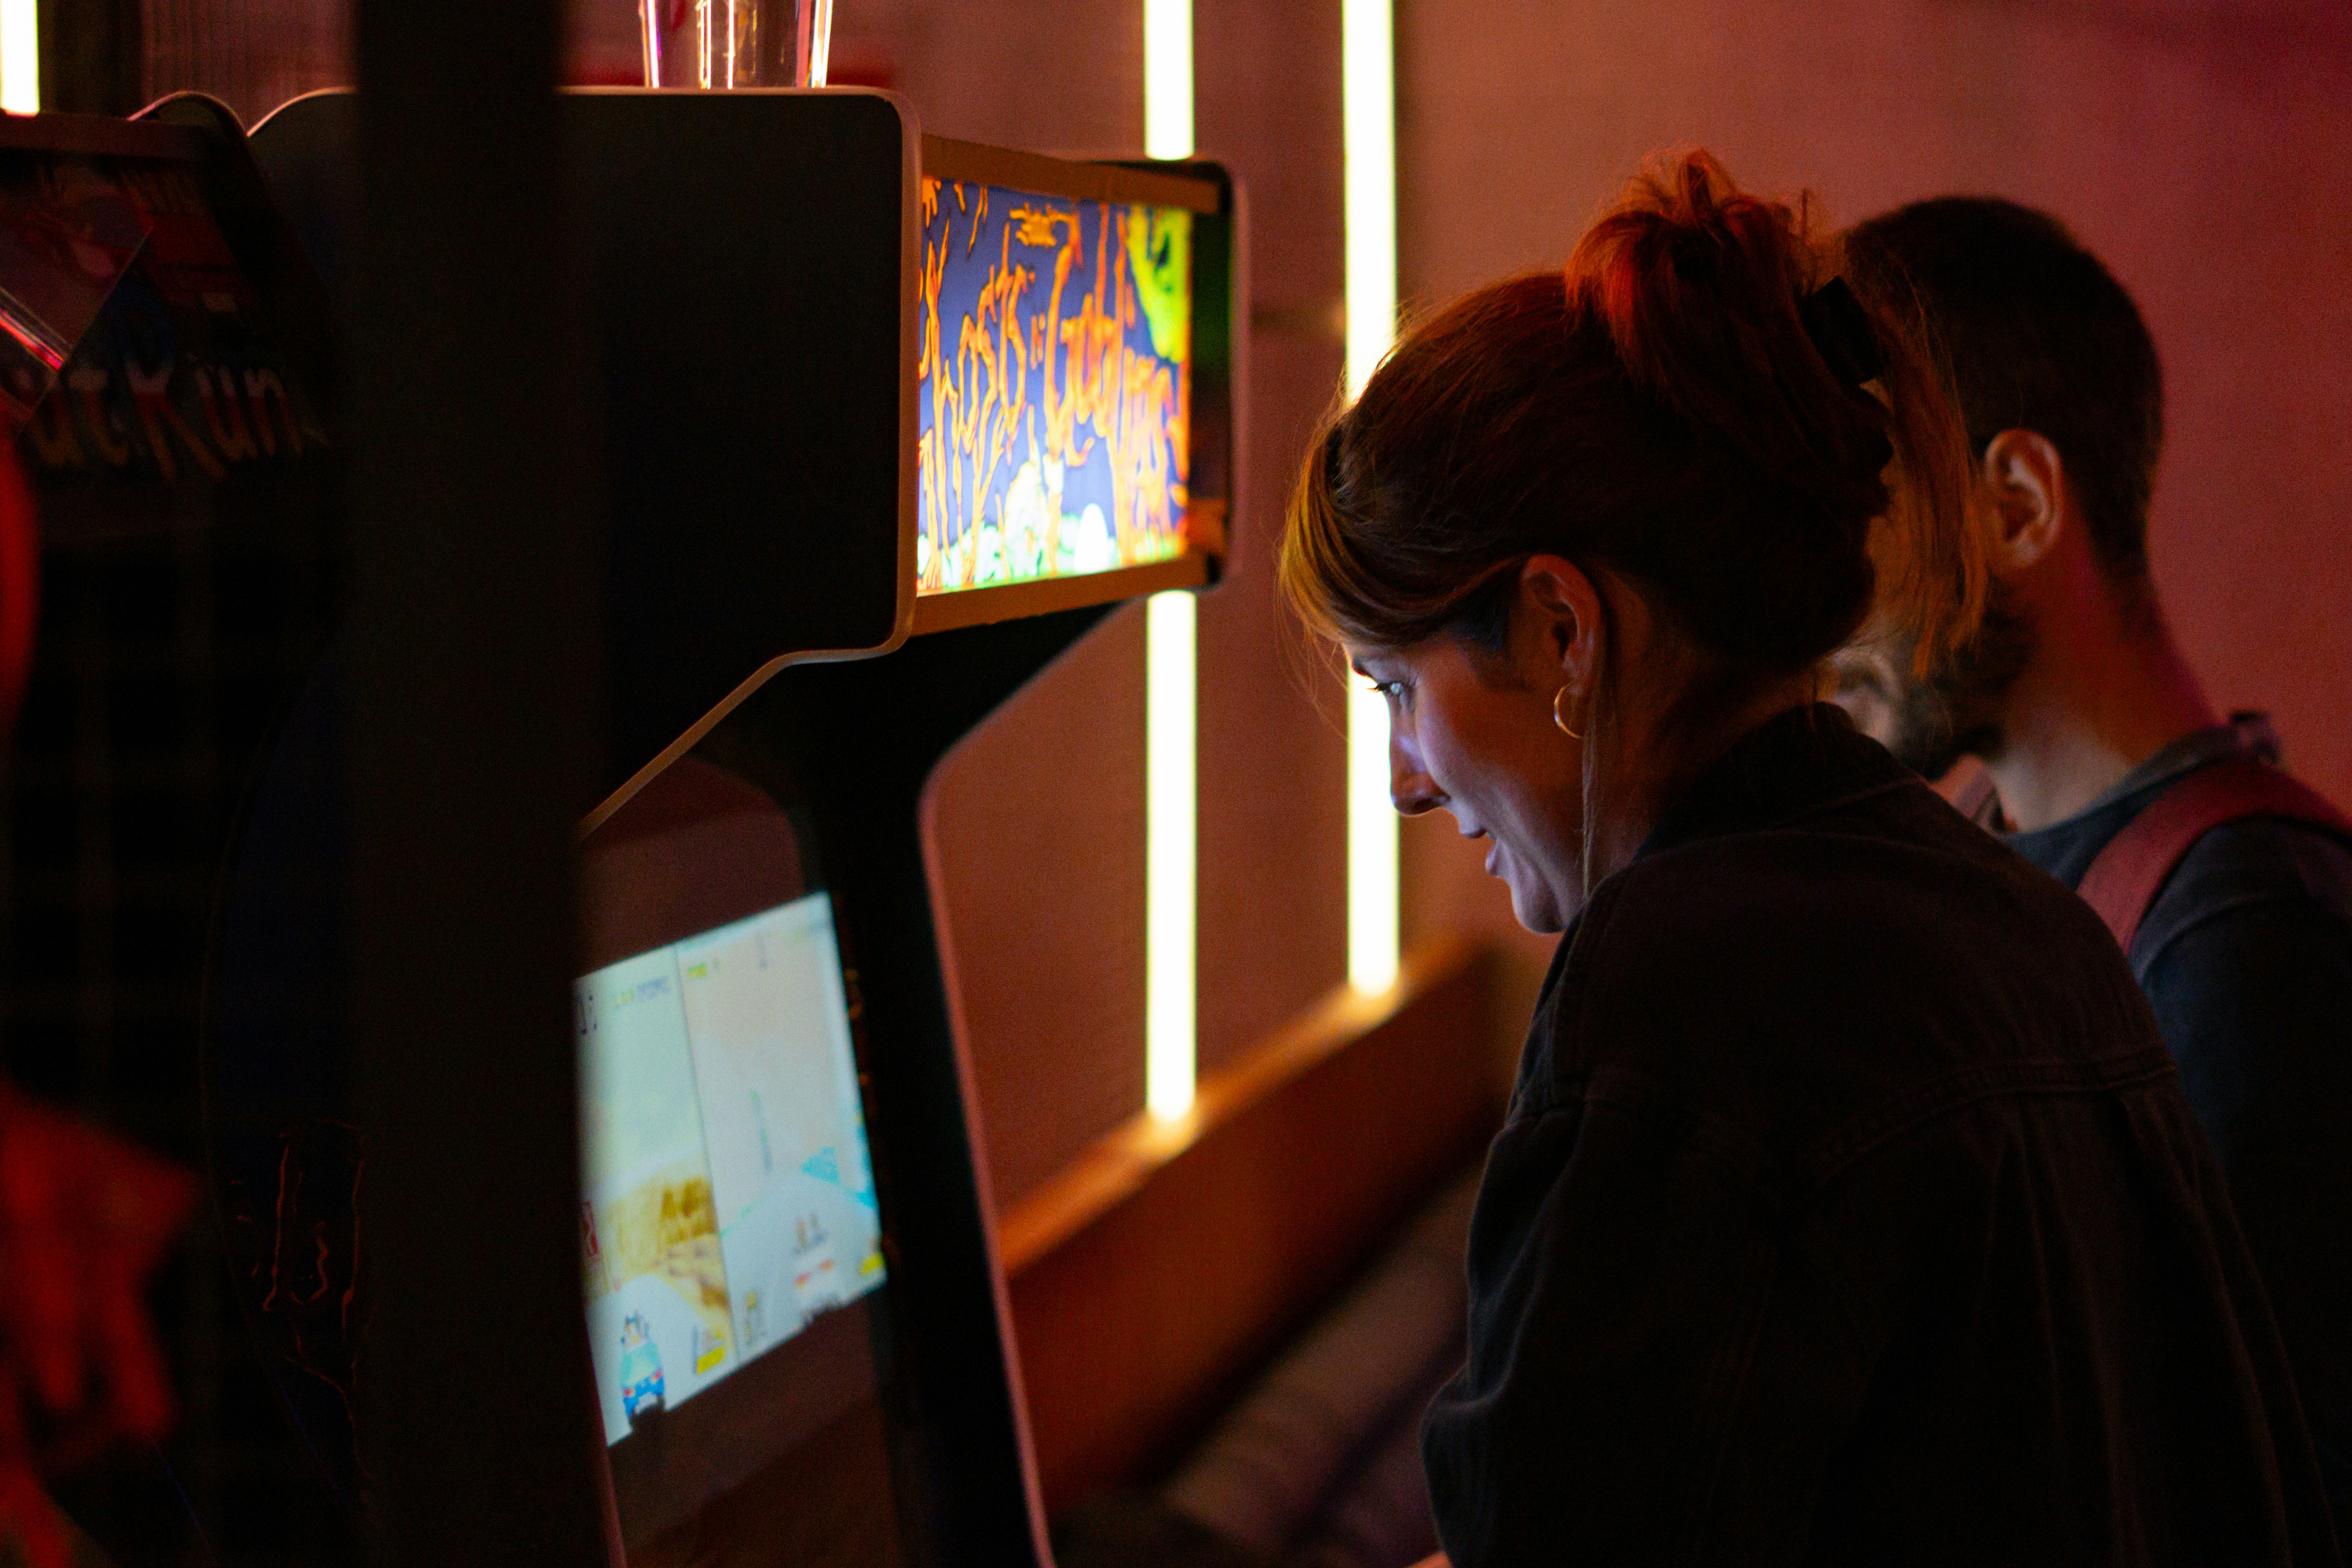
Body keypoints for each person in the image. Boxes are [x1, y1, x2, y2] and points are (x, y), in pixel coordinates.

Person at [1281, 152, 2337, 1566]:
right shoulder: (2019, 925)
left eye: (1399, 691)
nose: (1404, 779)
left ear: (1560, 630)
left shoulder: (1687, 993)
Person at [1836, 197, 2352, 1539]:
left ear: (2014, 507)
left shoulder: (2243, 945)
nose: (1818, 600)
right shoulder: (1981, 863)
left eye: (1856, 511)